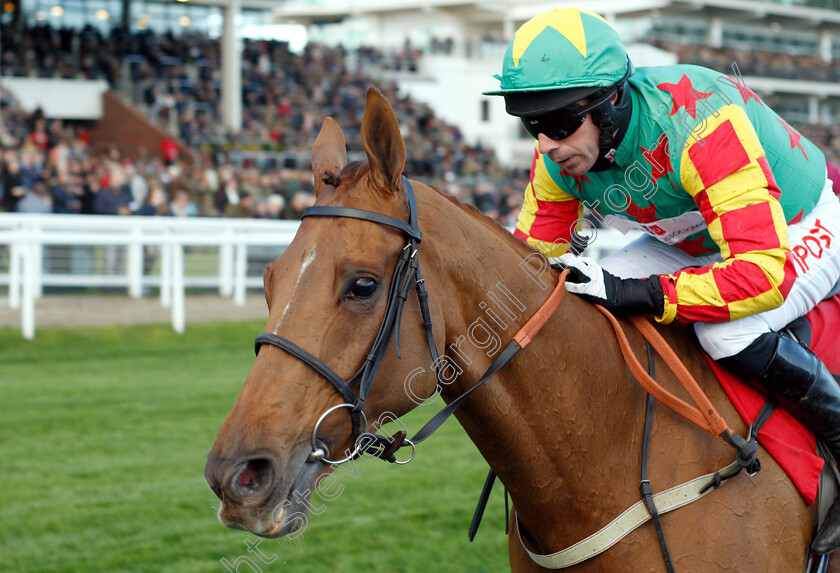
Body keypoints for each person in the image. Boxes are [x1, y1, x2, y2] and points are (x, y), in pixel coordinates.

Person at [485, 7, 840, 554]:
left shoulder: (697, 122)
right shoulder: (557, 157)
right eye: (532, 124)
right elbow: (532, 266)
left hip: (799, 223)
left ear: (610, 104)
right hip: (696, 236)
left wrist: (642, 294)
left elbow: (757, 275)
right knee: (585, 296)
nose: (549, 144)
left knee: (725, 333)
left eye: (558, 123)